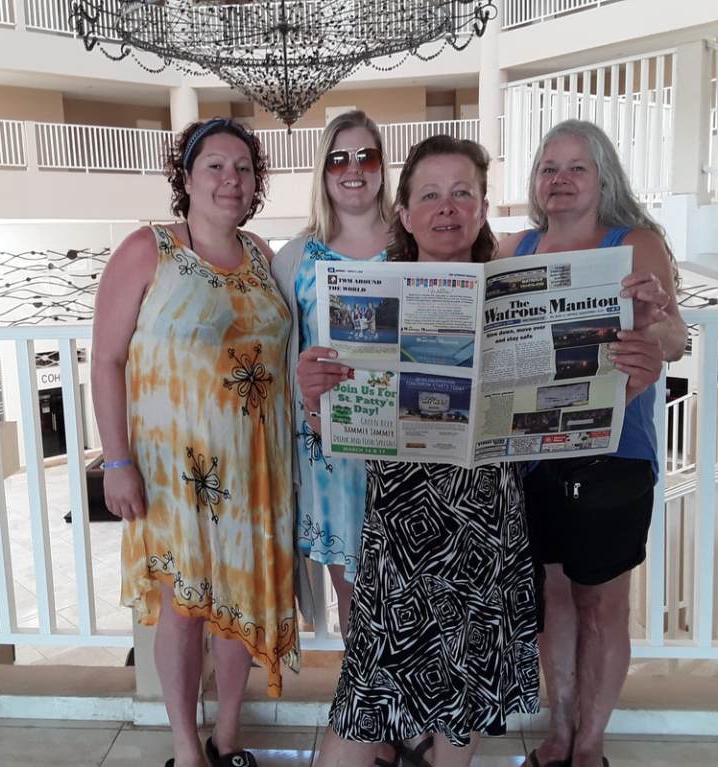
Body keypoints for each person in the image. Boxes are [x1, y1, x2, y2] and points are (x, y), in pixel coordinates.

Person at [299, 135, 595, 767]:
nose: (447, 207)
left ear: (483, 208)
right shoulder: (368, 294)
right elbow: (332, 431)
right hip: (400, 531)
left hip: (486, 527)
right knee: (364, 702)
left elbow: (569, 398)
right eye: (430, 194)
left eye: (463, 193)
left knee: (462, 707)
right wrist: (314, 396)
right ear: (404, 214)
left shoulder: (518, 294)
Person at [92, 118, 297, 767]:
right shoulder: (147, 250)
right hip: (174, 472)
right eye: (215, 166)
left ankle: (228, 736)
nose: (230, 179)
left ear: (256, 183)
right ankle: (187, 750)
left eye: (243, 168)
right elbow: (106, 360)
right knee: (182, 609)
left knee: (239, 598)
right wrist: (116, 460)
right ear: (186, 176)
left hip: (256, 469)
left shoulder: (261, 253)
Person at [499, 119, 687, 767]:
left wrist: (656, 328)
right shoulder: (515, 249)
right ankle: (558, 733)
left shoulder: (634, 242)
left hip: (615, 453)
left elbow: (675, 339)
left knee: (603, 604)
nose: (560, 179)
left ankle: (590, 744)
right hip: (532, 454)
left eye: (576, 167)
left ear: (603, 177)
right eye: (548, 168)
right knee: (553, 599)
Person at [272, 110, 393, 638]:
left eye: (367, 156)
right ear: (322, 171)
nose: (354, 169)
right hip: (331, 455)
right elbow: (275, 355)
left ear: (383, 166)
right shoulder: (296, 258)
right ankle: (367, 691)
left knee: (415, 588)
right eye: (339, 159)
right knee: (355, 603)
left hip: (406, 448)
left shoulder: (414, 244)